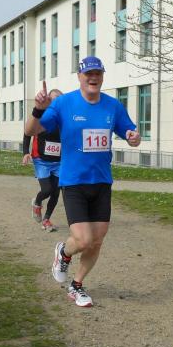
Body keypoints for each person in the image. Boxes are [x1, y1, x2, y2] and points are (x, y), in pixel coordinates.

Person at [25, 56, 141, 307]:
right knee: (83, 240)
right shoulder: (64, 103)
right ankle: (63, 252)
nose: (93, 78)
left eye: (98, 73)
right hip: (74, 182)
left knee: (96, 240)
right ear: (79, 77)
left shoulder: (113, 106)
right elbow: (31, 130)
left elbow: (131, 133)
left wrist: (134, 137)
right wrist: (38, 109)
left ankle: (76, 285)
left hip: (101, 181)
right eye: (88, 74)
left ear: (102, 77)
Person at [22, 88, 63, 232]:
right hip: (41, 160)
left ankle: (46, 220)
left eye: (59, 99)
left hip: (59, 162)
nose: (56, 102)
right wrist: (25, 152)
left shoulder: (64, 117)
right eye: (53, 99)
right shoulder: (42, 116)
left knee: (56, 192)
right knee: (47, 190)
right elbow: (27, 133)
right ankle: (37, 202)